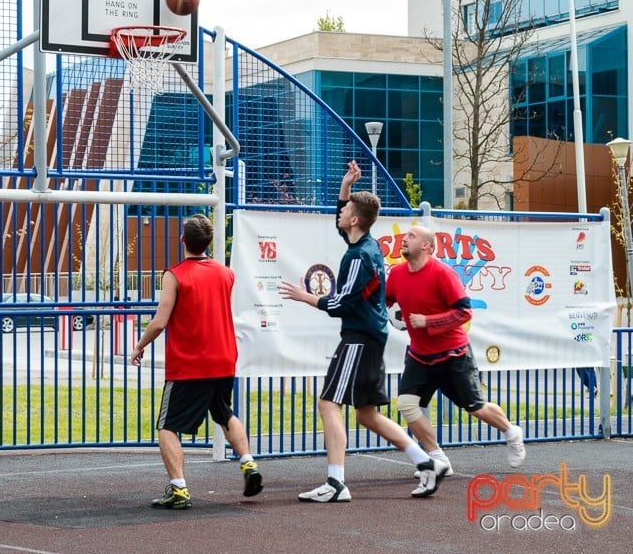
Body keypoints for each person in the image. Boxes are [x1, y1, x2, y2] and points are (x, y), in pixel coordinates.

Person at [277, 161, 447, 502]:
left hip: (359, 339)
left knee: (328, 402)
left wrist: (304, 296)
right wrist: (346, 186)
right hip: (369, 337)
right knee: (367, 414)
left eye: (346, 211)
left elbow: (341, 304)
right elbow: (341, 219)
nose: (340, 214)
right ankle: (425, 461)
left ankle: (337, 483)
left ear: (356, 219)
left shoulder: (359, 257)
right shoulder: (362, 244)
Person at [129, 213, 263, 509]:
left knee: (167, 426)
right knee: (224, 412)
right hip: (223, 358)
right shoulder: (226, 273)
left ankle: (178, 489)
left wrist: (139, 345)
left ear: (182, 241)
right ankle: (249, 464)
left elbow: (160, 321)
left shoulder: (174, 275)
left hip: (191, 363)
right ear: (208, 242)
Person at [386, 225, 526, 474]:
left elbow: (464, 312)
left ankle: (511, 432)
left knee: (476, 408)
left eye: (411, 236)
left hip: (454, 355)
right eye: (405, 236)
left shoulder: (442, 273)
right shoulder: (396, 274)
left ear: (427, 246)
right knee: (407, 404)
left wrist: (428, 322)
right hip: (419, 355)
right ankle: (438, 458)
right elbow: (383, 302)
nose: (404, 239)